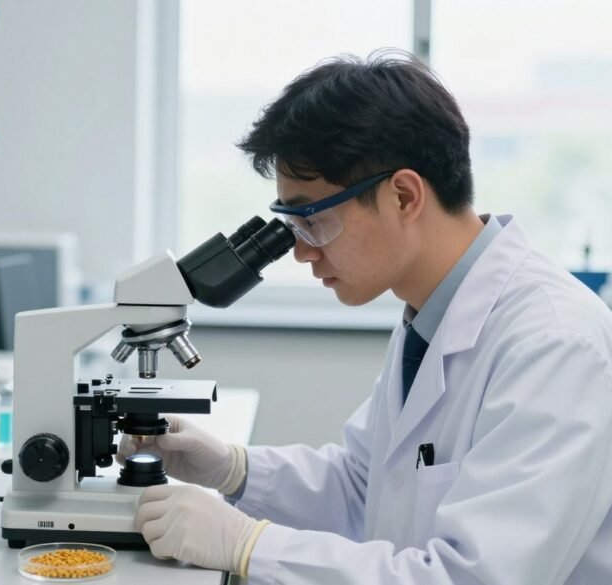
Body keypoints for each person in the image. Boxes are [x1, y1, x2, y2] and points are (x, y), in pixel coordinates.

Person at [118, 51, 612, 584]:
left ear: (403, 195)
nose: (303, 253)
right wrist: (233, 469)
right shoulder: (430, 314)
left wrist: (248, 545)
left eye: (313, 220)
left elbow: (472, 577)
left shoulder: (555, 344)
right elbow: (366, 485)